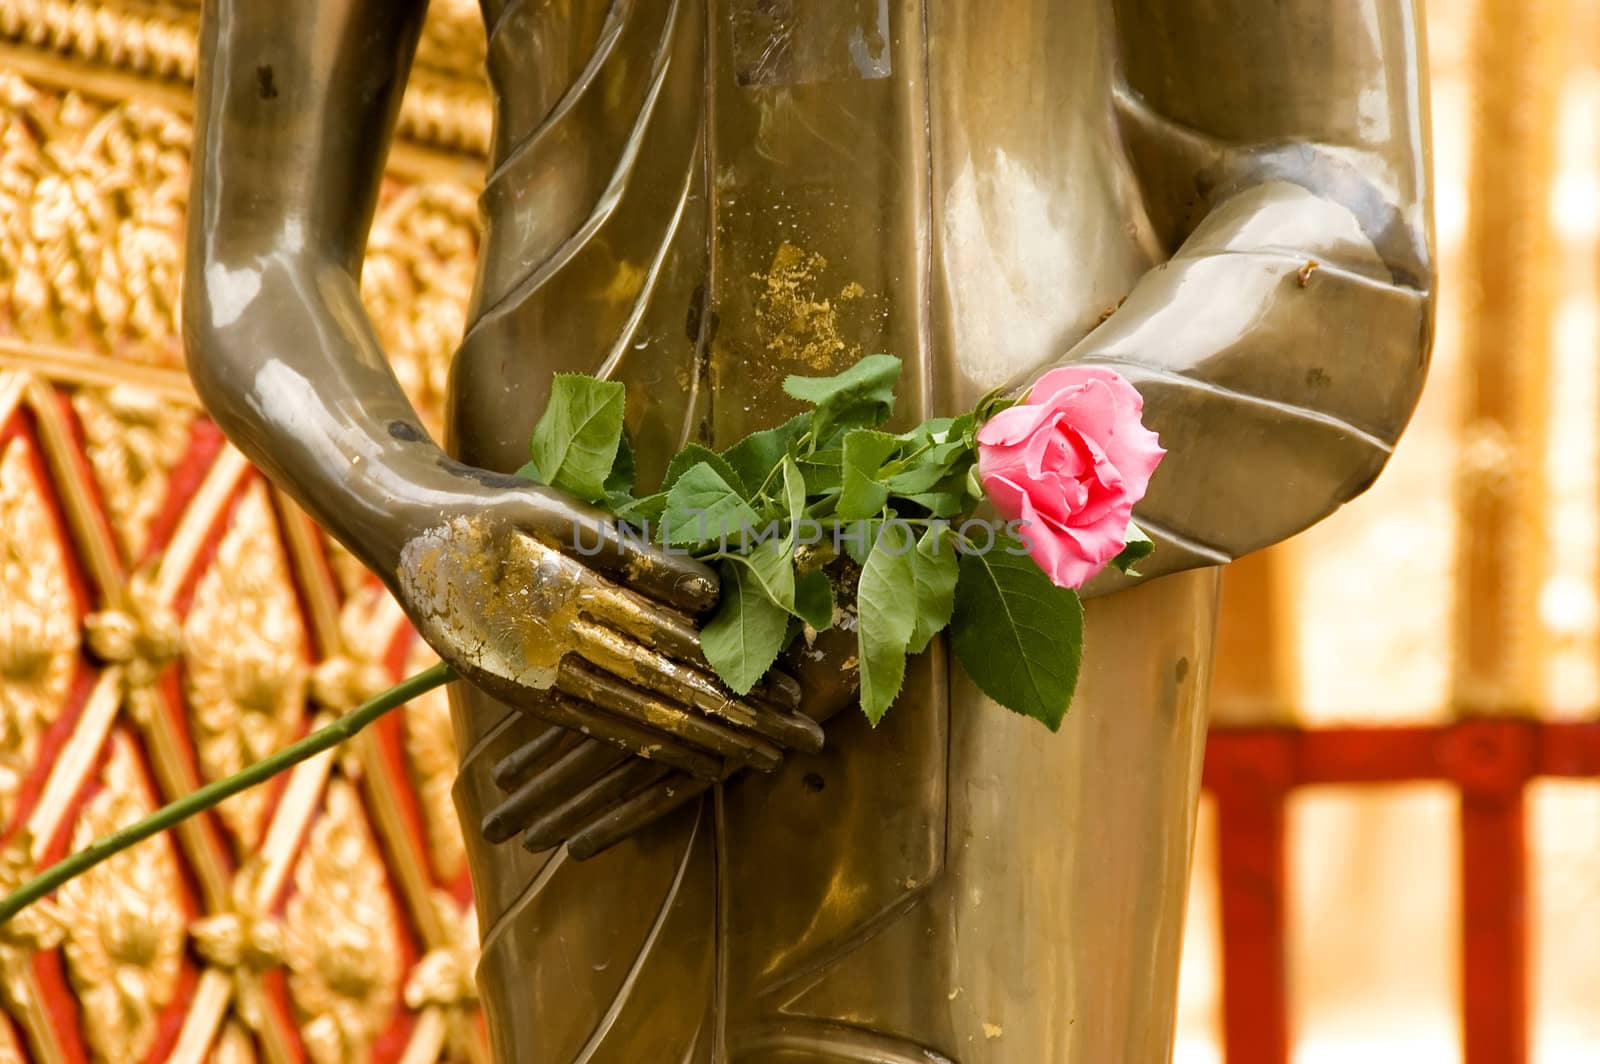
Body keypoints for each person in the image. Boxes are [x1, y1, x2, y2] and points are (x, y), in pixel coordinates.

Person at [183, 0, 1434, 1059]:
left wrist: (930, 524)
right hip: (577, 577)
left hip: (1011, 549)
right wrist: (407, 508)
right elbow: (260, 258)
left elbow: (1342, 208)